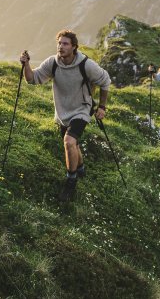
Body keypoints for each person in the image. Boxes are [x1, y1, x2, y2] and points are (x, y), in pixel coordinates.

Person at [20, 30, 111, 202]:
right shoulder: (52, 63)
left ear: (74, 47)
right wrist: (26, 65)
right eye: (59, 43)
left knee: (68, 141)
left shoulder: (86, 64)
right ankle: (81, 167)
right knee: (73, 144)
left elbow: (105, 81)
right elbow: (32, 79)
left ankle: (71, 180)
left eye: (65, 44)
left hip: (82, 109)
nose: (61, 47)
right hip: (63, 111)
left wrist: (102, 107)